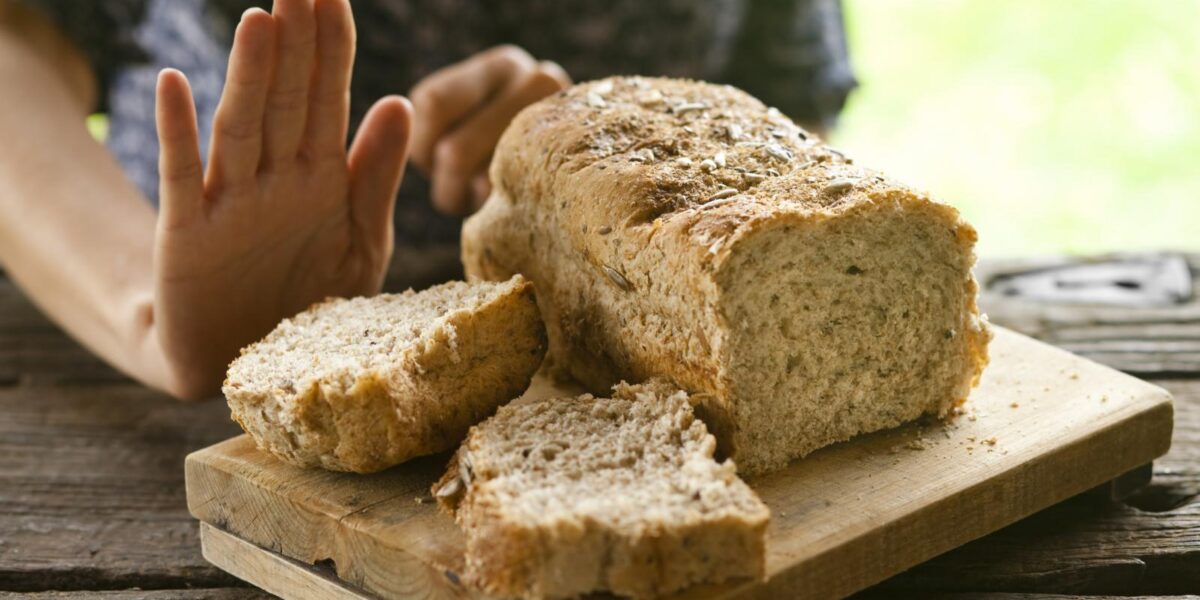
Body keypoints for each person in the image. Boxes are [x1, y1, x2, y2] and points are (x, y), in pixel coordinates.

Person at [0, 0, 855, 399]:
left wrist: (593, 146)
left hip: (603, 377)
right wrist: (143, 310)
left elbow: (785, 104)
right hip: (144, 340)